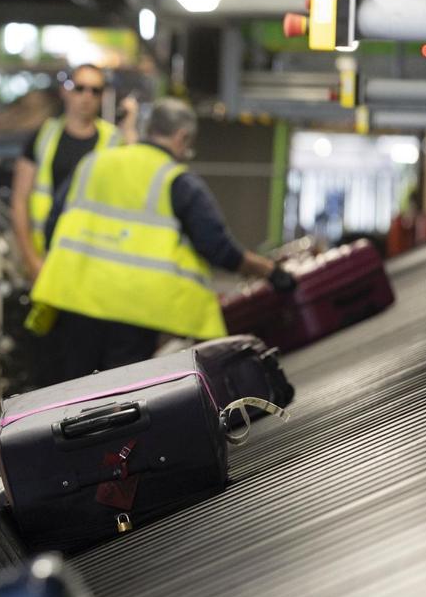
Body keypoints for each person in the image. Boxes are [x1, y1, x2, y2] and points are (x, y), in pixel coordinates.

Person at [30, 98, 297, 384]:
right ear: (182, 137)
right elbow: (219, 249)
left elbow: (52, 226)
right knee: (117, 400)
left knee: (70, 394)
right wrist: (271, 272)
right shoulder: (178, 181)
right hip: (133, 310)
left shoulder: (94, 163)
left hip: (73, 298)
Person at [11, 65, 138, 280]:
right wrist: (31, 260)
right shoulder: (44, 136)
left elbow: (135, 185)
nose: (86, 97)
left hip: (96, 261)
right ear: (65, 91)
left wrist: (130, 127)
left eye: (95, 90)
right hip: (48, 258)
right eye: (79, 88)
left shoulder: (114, 140)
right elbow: (19, 201)